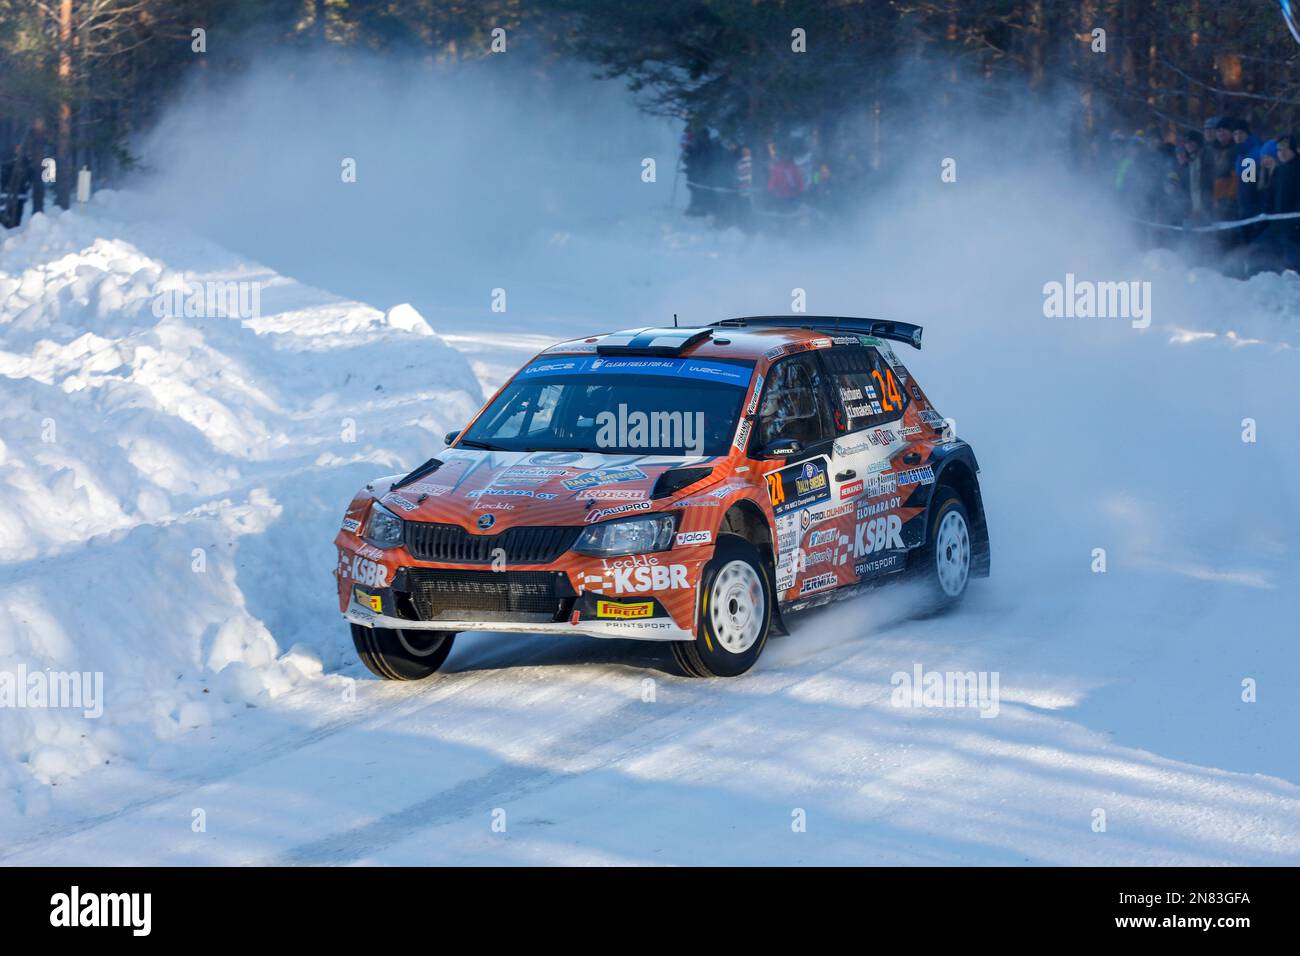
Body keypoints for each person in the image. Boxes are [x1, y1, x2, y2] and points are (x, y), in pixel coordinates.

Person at [1182, 130, 1215, 224]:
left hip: (1208, 201)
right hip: (1195, 205)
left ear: (1198, 142)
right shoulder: (1190, 160)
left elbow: (1211, 180)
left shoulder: (1207, 155)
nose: (1188, 145)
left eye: (1191, 141)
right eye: (1186, 142)